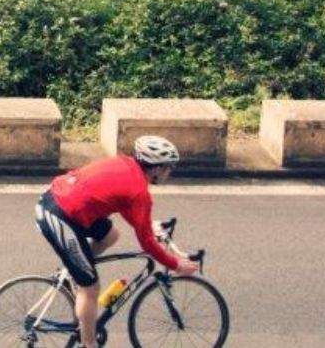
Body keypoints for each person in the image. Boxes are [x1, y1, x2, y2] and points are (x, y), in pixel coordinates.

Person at [34, 135, 201, 346]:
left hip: (61, 201)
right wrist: (176, 264)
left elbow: (127, 208)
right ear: (156, 168)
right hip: (60, 216)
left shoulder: (126, 164)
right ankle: (89, 344)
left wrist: (149, 226)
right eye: (168, 167)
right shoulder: (140, 192)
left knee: (111, 235)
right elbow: (147, 243)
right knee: (91, 288)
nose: (170, 172)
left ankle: (75, 268)